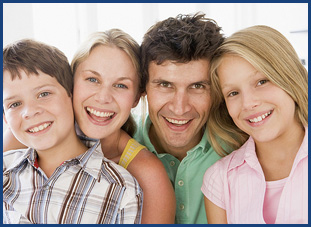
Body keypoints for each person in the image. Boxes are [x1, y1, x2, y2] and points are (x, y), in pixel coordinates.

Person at [3, 29, 176, 224]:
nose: (103, 98)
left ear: (137, 97)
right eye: (92, 79)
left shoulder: (143, 176)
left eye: (121, 85)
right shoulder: (30, 132)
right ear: (71, 84)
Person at [201, 25, 308, 224]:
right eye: (233, 93)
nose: (248, 103)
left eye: (261, 82)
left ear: (289, 77)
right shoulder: (219, 179)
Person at [135, 13, 225, 224]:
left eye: (197, 86)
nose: (179, 108)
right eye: (165, 85)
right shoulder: (116, 149)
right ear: (144, 88)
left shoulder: (240, 147)